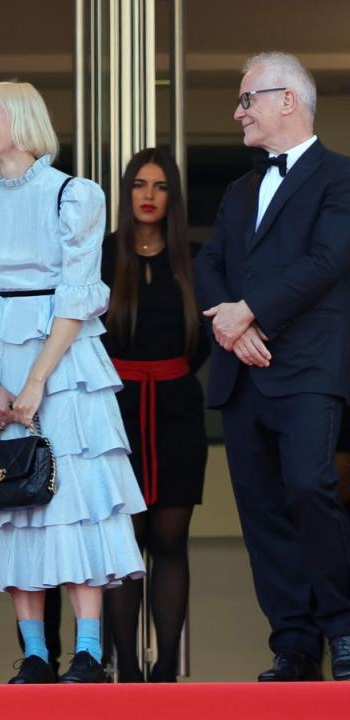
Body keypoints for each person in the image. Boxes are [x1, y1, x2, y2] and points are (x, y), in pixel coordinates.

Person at [0, 81, 145, 685]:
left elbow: (78, 298)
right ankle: (32, 653)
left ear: (22, 120)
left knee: (74, 501)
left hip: (64, 354)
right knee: (9, 500)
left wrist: (35, 384)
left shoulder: (73, 195)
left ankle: (87, 651)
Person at [195, 51, 350, 682]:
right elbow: (208, 264)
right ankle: (292, 642)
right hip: (243, 371)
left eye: (247, 99)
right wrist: (230, 326)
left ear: (287, 99)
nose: (238, 113)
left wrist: (251, 313)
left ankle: (343, 629)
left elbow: (328, 260)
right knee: (259, 508)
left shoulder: (340, 177)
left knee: (310, 489)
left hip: (308, 366)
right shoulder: (238, 189)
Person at [101, 148, 208, 682]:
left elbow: (207, 339)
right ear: (127, 195)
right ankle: (127, 671)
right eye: (140, 185)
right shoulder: (101, 257)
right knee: (125, 544)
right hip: (114, 410)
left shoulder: (195, 258)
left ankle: (165, 671)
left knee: (169, 540)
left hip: (176, 410)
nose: (148, 195)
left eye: (161, 186)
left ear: (173, 197)